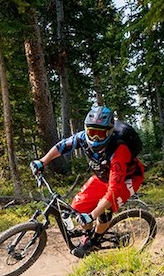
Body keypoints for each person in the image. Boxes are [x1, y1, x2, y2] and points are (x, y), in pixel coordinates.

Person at [30, 105, 146, 256]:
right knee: (78, 207)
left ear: (109, 132)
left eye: (100, 133)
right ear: (86, 129)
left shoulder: (119, 149)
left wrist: (92, 215)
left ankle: (95, 242)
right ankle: (89, 232)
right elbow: (62, 146)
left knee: (104, 211)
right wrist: (42, 161)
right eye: (92, 132)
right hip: (102, 177)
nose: (95, 138)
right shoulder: (83, 137)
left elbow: (114, 190)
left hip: (127, 179)